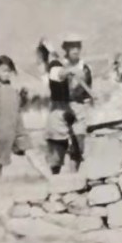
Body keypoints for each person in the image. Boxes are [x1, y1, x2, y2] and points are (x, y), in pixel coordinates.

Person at [0, 55, 44, 193]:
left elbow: (16, 107)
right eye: (3, 71)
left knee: (31, 152)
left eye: (9, 71)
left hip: (17, 126)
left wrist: (24, 98)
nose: (7, 74)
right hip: (0, 128)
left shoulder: (11, 87)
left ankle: (51, 180)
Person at [40, 43, 75, 174]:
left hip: (68, 109)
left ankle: (73, 179)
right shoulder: (54, 67)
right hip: (58, 111)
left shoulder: (61, 64)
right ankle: (56, 181)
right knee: (57, 150)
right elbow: (59, 74)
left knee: (74, 149)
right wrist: (69, 70)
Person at [61, 34, 94, 167]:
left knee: (79, 143)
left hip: (79, 107)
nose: (75, 50)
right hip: (62, 107)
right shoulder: (60, 67)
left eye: (77, 47)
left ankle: (79, 173)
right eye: (72, 48)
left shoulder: (84, 68)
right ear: (66, 50)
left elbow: (88, 91)